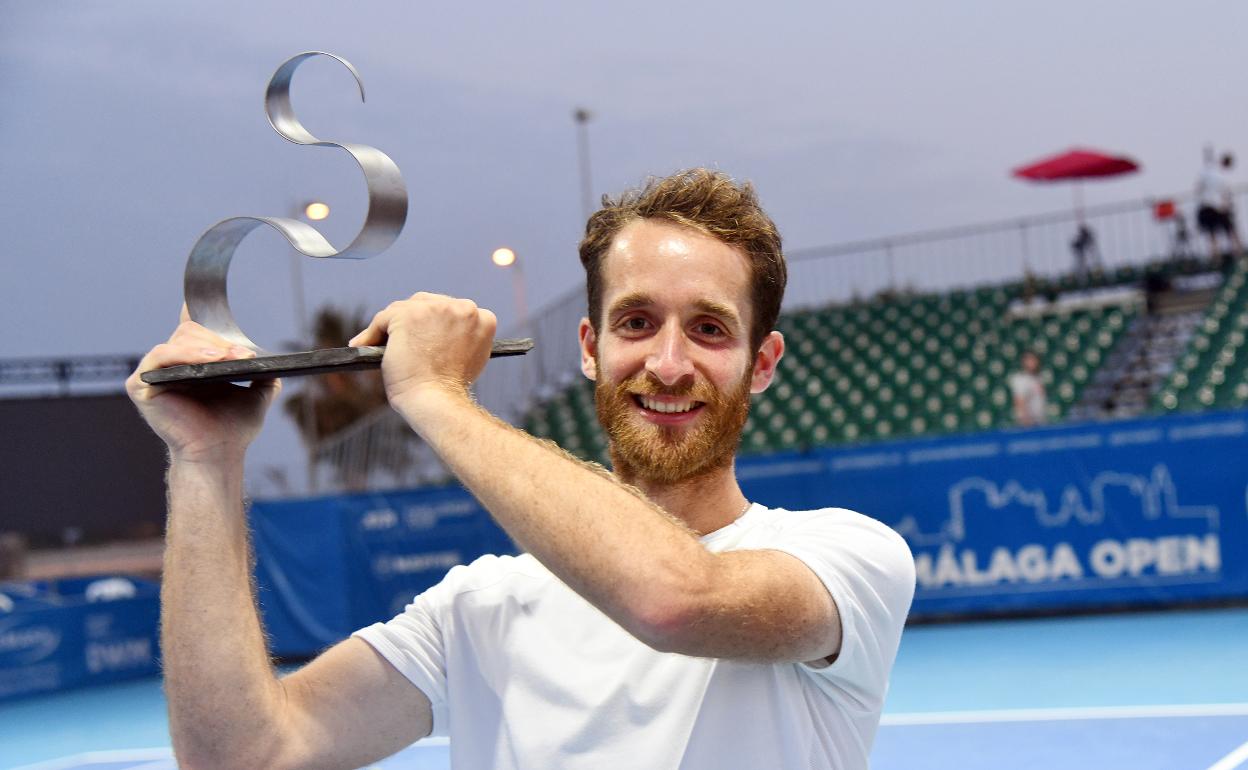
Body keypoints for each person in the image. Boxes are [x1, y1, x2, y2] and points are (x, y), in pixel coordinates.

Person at [126, 168, 916, 770]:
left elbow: (675, 601)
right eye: (636, 322)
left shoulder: (848, 558)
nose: (668, 364)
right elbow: (245, 752)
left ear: (763, 362)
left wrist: (436, 394)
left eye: (709, 328)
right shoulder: (478, 608)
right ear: (589, 347)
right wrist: (205, 462)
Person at [1195, 151, 1244, 262]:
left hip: (1206, 206)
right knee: (1231, 230)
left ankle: (1216, 256)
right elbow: (1225, 193)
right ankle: (1238, 252)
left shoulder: (1208, 170)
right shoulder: (1223, 176)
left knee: (1212, 233)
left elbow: (1198, 187)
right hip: (1218, 207)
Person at [1009, 350, 1048, 427]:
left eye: (1034, 359)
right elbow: (1019, 400)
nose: (1032, 362)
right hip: (1029, 422)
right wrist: (1026, 419)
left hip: (1040, 420)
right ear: (1023, 362)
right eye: (1029, 360)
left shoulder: (1039, 377)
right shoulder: (1021, 379)